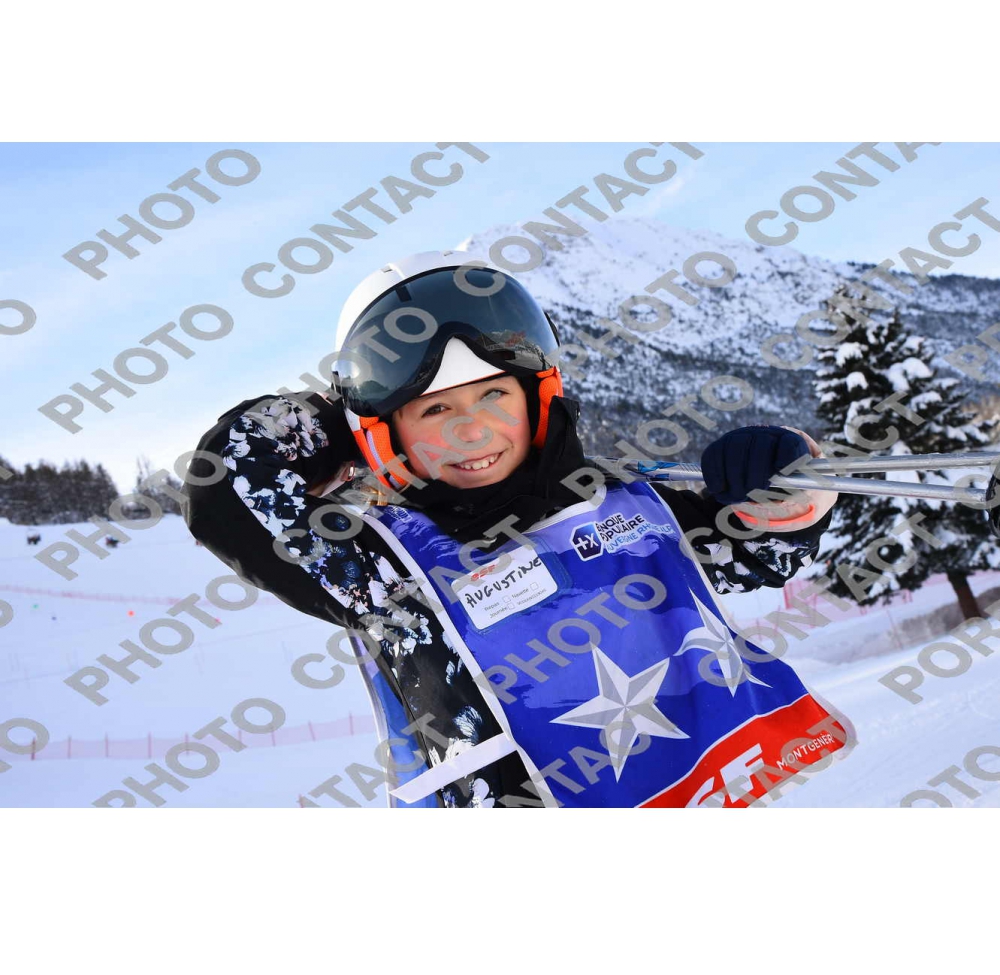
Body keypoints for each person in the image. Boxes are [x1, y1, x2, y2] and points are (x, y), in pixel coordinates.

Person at [184, 250, 853, 808]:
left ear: (538, 398)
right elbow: (224, 485)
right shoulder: (379, 571)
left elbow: (758, 553)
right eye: (433, 409)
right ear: (384, 433)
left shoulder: (627, 508)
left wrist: (784, 479)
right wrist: (342, 413)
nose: (471, 430)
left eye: (494, 394)